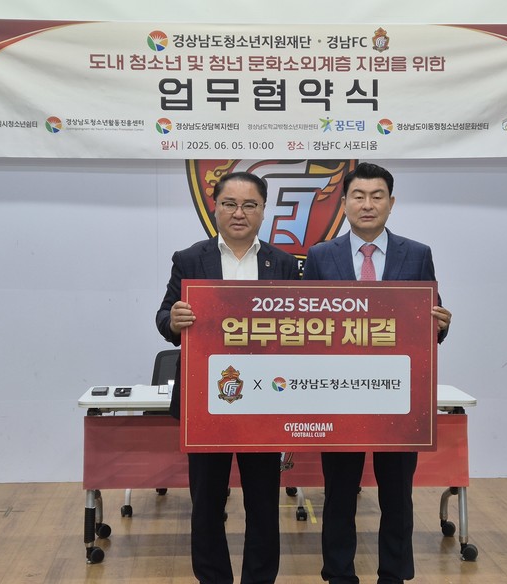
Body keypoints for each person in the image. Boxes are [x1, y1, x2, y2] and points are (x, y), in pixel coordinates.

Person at [302, 162, 452, 584]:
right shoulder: (320, 256)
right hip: (338, 394)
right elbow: (305, 325)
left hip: (397, 396)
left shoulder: (416, 253)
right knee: (339, 493)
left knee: (397, 495)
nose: (367, 204)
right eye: (358, 196)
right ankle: (338, 573)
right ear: (344, 203)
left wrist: (441, 323)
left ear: (391, 202)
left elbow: (430, 317)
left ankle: (394, 574)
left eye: (377, 196)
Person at [156, 171, 300, 584]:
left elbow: (301, 326)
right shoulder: (189, 259)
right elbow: (164, 316)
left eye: (249, 205)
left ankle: (259, 578)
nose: (239, 213)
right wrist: (174, 320)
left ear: (263, 211)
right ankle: (213, 578)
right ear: (215, 208)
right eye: (230, 204)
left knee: (263, 504)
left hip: (265, 402)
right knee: (206, 504)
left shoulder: (283, 264)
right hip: (205, 403)